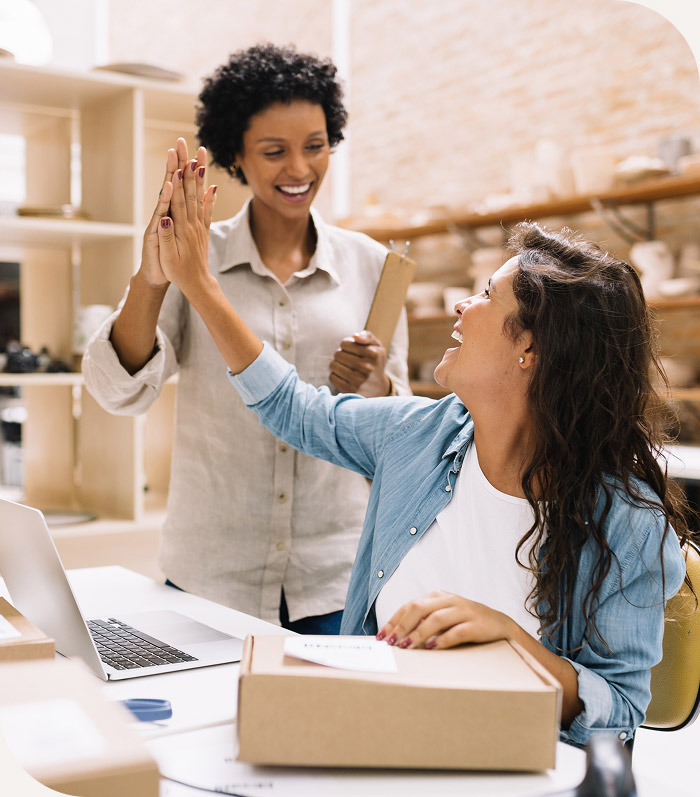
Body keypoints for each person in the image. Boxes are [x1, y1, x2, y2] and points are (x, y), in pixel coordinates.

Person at [153, 172, 694, 747]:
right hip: (380, 736)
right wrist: (200, 285)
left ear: (531, 349)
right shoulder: (417, 435)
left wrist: (514, 646)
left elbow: (620, 709)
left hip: (510, 766)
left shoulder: (627, 521)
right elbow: (293, 408)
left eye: (487, 294)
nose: (463, 303)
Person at [82, 43, 410, 634]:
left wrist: (378, 383)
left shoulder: (372, 266)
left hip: (335, 579)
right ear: (236, 152)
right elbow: (118, 392)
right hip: (212, 577)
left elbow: (401, 434)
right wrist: (154, 276)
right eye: (274, 151)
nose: (299, 169)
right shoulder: (193, 263)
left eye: (315, 146)